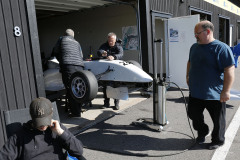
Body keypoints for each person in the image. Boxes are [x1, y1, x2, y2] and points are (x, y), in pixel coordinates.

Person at [186, 20, 235, 150]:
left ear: (207, 32)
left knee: (218, 121)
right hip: (196, 91)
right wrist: (187, 76)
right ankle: (202, 131)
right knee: (193, 114)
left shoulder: (221, 48)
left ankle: (218, 140)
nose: (195, 36)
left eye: (197, 33)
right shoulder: (194, 47)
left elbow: (229, 69)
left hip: (214, 93)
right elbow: (190, 62)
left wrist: (226, 91)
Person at [0, 97, 84, 160]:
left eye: (45, 120)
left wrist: (61, 133)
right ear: (31, 116)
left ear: (51, 113)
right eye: (39, 121)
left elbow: (79, 151)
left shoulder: (57, 129)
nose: (42, 125)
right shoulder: (19, 136)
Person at [52, 29, 84, 117]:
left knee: (71, 89)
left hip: (68, 65)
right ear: (73, 36)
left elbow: (55, 51)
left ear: (64, 34)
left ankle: (75, 113)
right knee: (78, 88)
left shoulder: (61, 39)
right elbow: (81, 55)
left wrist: (61, 61)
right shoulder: (77, 42)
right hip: (80, 66)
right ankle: (79, 109)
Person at [97, 32, 124, 110]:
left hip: (116, 69)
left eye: (112, 41)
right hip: (106, 69)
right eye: (109, 40)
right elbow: (99, 51)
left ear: (115, 40)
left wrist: (114, 57)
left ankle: (116, 103)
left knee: (116, 86)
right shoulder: (104, 45)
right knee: (106, 86)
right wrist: (102, 53)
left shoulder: (118, 46)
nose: (110, 42)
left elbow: (121, 54)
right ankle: (106, 103)